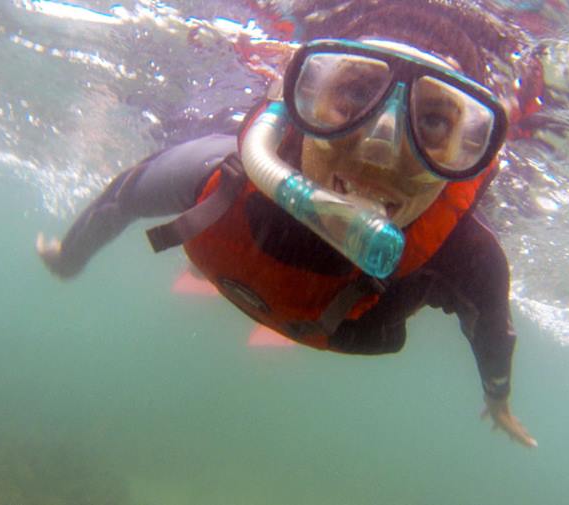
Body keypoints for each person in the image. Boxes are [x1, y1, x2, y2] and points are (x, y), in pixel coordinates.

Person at [37, 0, 543, 448]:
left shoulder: (467, 258)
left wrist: (498, 400)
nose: (380, 149)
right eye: (355, 93)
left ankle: (228, 269)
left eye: (433, 122)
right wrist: (68, 256)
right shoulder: (218, 176)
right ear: (297, 102)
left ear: (473, 147)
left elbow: (493, 335)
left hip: (347, 324)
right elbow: (122, 199)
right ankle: (226, 267)